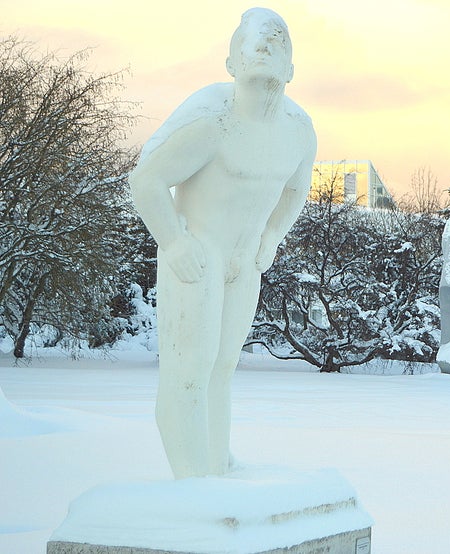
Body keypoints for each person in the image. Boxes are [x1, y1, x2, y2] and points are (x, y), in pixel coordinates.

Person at [129, 8, 316, 479]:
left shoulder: (298, 130)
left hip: (245, 258)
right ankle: (193, 485)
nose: (265, 46)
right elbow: (147, 180)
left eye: (278, 42)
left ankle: (214, 468)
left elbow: (296, 189)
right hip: (198, 251)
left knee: (221, 370)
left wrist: (272, 235)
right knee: (189, 370)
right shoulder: (211, 119)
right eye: (252, 42)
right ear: (230, 63)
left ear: (292, 69)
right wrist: (172, 243)